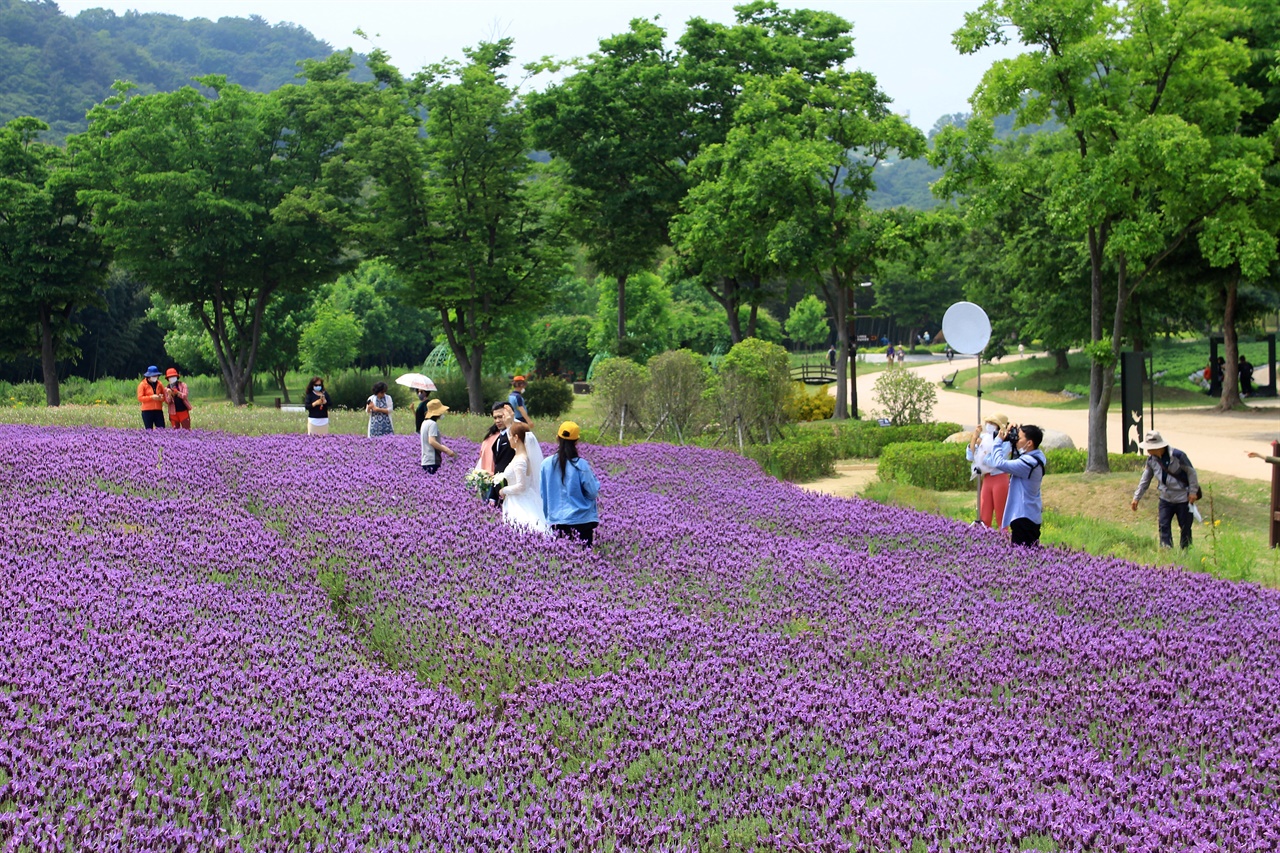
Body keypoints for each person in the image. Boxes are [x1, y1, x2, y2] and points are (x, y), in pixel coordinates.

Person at [1131, 430, 1200, 549]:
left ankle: (1186, 552)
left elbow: (1191, 473)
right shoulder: (1152, 460)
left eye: (1150, 447)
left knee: (1185, 527)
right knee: (1163, 526)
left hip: (1183, 498)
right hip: (1165, 498)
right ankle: (1166, 549)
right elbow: (1145, 479)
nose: (1147, 450)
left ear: (1158, 447)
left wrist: (1193, 491)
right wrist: (1137, 497)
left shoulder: (1178, 456)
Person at [541, 420, 600, 547]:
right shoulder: (581, 464)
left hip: (557, 520)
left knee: (562, 560)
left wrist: (549, 516)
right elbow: (593, 492)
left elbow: (543, 494)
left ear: (557, 438)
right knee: (585, 560)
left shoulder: (546, 464)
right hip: (581, 520)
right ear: (576, 441)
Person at [990, 424, 1047, 547]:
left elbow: (999, 463)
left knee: (1023, 556)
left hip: (1024, 517)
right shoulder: (1037, 457)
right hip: (1030, 515)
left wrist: (998, 441)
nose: (1016, 440)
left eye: (1019, 438)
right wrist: (1013, 437)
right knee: (1029, 555)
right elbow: (1017, 458)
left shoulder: (1028, 463)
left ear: (1029, 443)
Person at [497, 421, 549, 532]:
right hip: (523, 498)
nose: (509, 439)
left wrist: (504, 490)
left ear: (516, 437)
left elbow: (521, 486)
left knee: (521, 529)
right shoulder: (521, 455)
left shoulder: (520, 460)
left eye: (510, 436)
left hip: (518, 500)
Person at [966, 413, 1012, 529]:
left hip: (999, 478)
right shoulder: (984, 437)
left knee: (1001, 515)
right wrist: (974, 438)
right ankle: (985, 541)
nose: (989, 425)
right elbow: (971, 456)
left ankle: (1004, 540)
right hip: (987, 478)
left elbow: (995, 461)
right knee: (984, 514)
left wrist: (982, 447)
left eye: (992, 423)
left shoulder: (1006, 442)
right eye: (988, 423)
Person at [419, 399, 456, 474]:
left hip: (425, 460)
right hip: (432, 460)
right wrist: (446, 450)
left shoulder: (424, 423)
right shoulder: (432, 424)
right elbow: (432, 441)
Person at [137, 365, 168, 430]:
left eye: (156, 376)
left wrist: (160, 398)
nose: (155, 377)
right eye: (154, 376)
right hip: (147, 411)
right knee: (149, 430)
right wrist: (151, 397)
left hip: (158, 410)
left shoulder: (159, 384)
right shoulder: (142, 384)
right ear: (149, 376)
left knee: (161, 429)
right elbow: (140, 398)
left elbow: (164, 396)